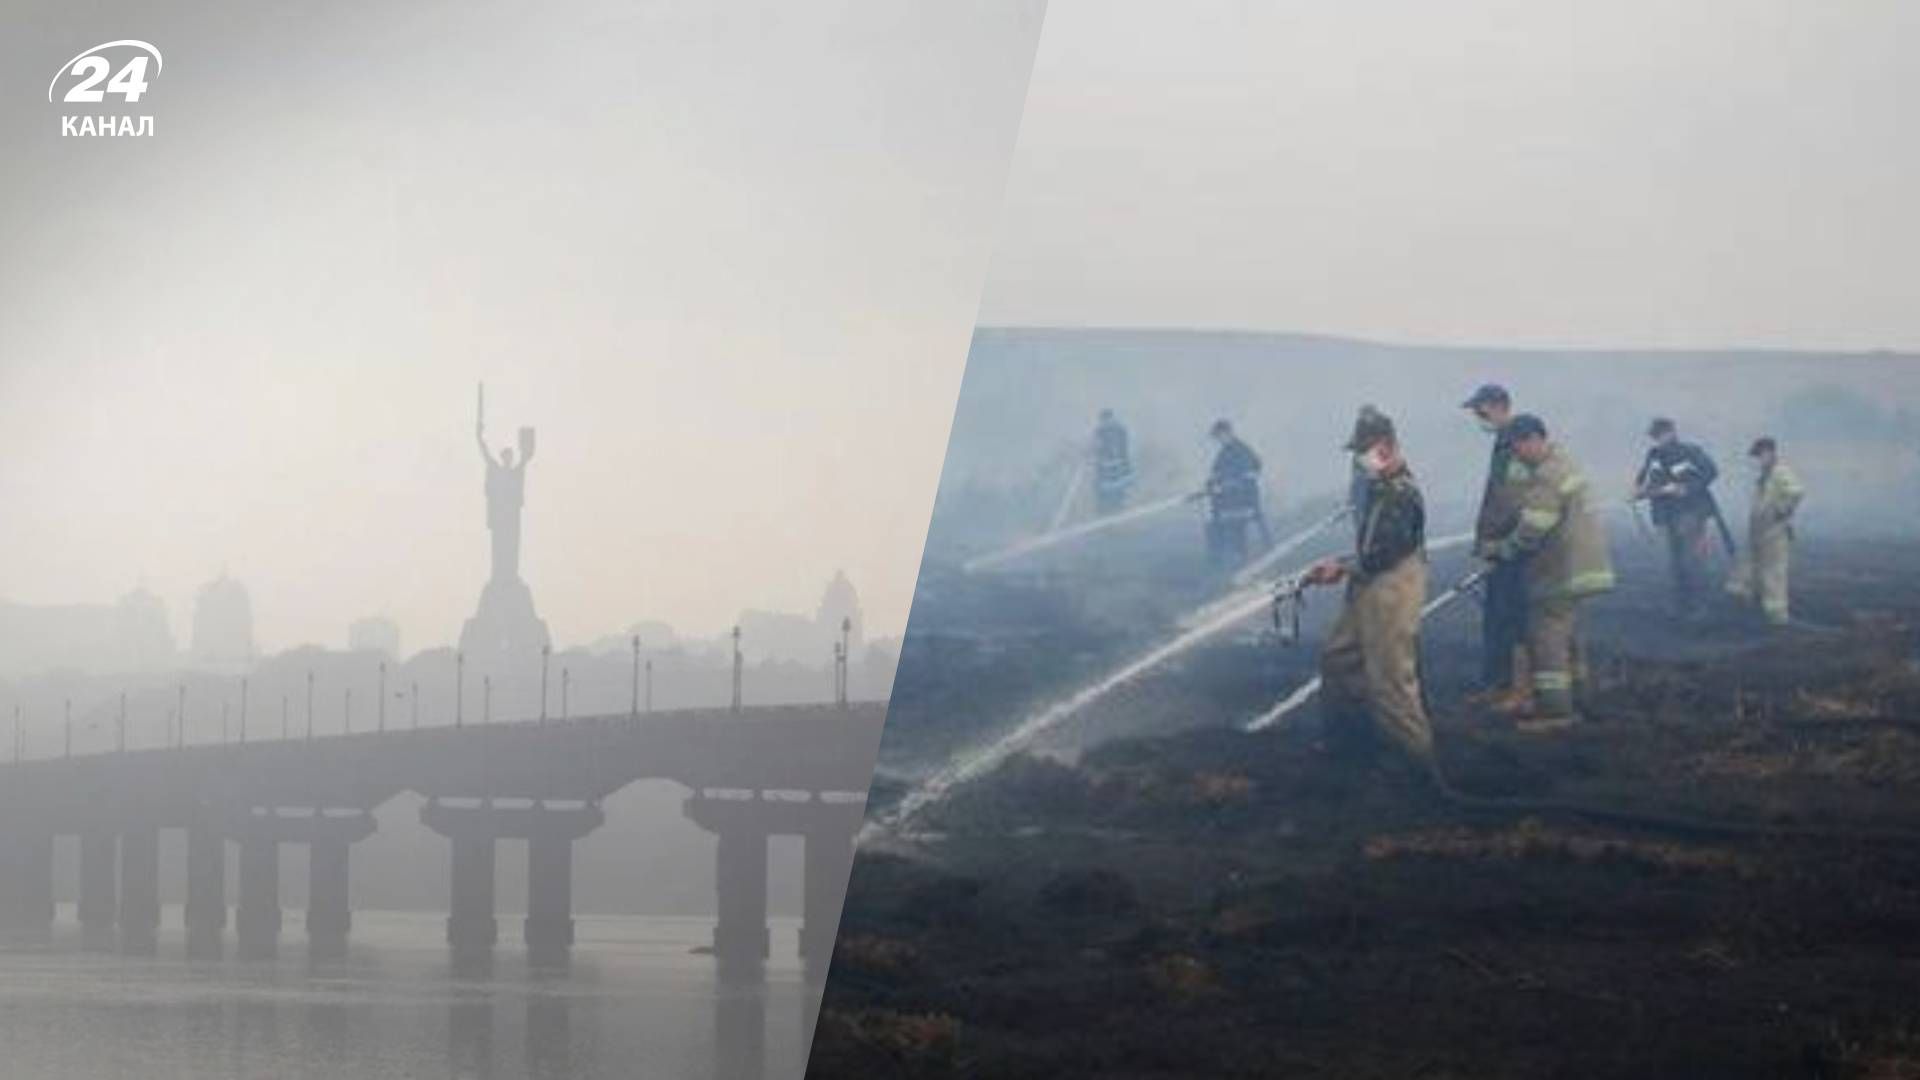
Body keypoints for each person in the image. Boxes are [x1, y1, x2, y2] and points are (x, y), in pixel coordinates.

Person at [1303, 407, 1434, 767]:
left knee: (1389, 677)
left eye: (1366, 451)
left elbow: (1387, 552)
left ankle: (1417, 760)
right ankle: (1349, 748)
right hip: (1370, 581)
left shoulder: (1401, 494)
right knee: (1339, 657)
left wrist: (1341, 568)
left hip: (1391, 587)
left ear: (1388, 447)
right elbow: (1373, 544)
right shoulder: (1378, 488)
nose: (1360, 460)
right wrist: (1345, 565)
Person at [1483, 415, 1615, 731]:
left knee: (1547, 637)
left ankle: (1556, 712)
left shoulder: (1547, 475)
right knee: (1568, 633)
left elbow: (1534, 527)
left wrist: (1503, 550)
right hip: (1582, 566)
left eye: (1518, 449)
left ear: (1532, 440)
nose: (1517, 456)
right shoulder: (1565, 462)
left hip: (1560, 567)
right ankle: (1580, 696)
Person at [1462, 383, 1529, 703]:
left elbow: (1509, 499)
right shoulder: (1506, 443)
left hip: (1511, 548)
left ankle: (1507, 687)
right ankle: (1499, 684)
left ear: (1500, 405)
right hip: (1505, 544)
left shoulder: (1513, 443)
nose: (1478, 416)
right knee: (1498, 615)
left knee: (1507, 617)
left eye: (1481, 409)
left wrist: (1491, 544)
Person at [1634, 418, 1722, 618]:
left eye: (1660, 434)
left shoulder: (1690, 452)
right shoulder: (1654, 455)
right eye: (1655, 436)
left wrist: (1686, 488)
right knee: (1675, 563)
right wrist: (1638, 491)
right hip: (1667, 515)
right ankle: (1681, 606)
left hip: (1690, 512)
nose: (1657, 439)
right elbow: (1645, 477)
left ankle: (1699, 607)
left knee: (1691, 561)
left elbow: (1711, 471)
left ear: (1671, 432)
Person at [1725, 436, 1805, 626]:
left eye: (1760, 455)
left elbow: (1796, 491)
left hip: (1774, 533)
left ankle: (1776, 618)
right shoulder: (1765, 476)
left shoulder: (1780, 472)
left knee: (1773, 574)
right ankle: (1749, 606)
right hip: (1760, 532)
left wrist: (1782, 510)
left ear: (1769, 452)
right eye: (1757, 456)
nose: (1758, 460)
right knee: (1750, 569)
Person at [1202, 419, 1271, 566]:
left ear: (1228, 433)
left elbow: (1253, 468)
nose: (1218, 440)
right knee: (1213, 522)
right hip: (1229, 501)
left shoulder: (1241, 449)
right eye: (1217, 437)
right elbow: (1216, 473)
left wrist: (1232, 482)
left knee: (1226, 524)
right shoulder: (1223, 453)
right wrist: (1211, 483)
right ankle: (1224, 556)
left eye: (1219, 436)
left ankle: (1237, 555)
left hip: (1244, 500)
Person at [1092, 408, 1134, 515]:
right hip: (1115, 465)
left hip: (1109, 467)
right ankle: (1117, 506)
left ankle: (1110, 508)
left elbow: (1098, 448)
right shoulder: (1120, 429)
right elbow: (1124, 447)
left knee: (1110, 489)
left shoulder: (1101, 431)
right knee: (1117, 487)